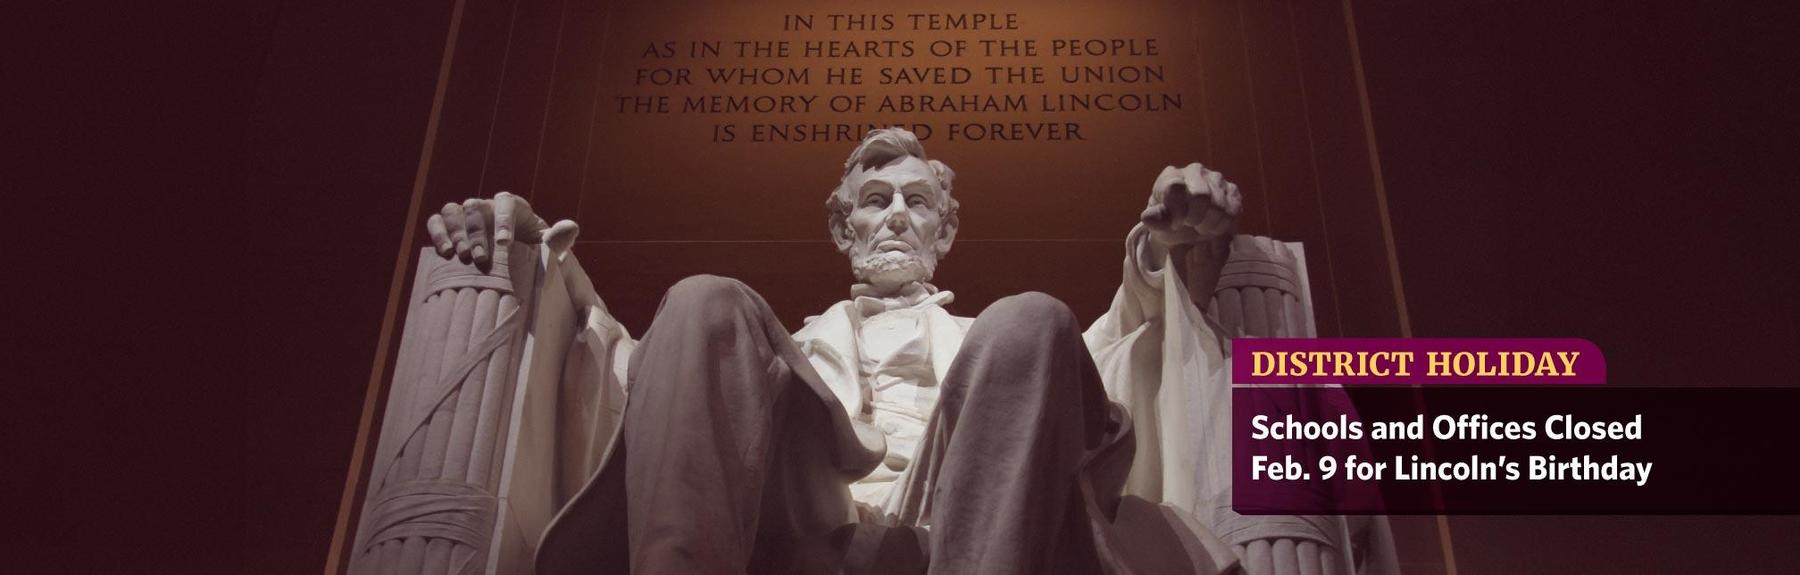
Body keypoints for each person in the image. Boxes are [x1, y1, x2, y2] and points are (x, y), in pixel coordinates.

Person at [421, 128, 1381, 574]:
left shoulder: (991, 341)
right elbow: (621, 369)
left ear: (943, 231)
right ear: (842, 230)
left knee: (1033, 318)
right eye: (876, 201)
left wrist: (1181, 248)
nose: (895, 214)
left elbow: (1134, 338)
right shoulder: (774, 350)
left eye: (917, 201)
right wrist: (524, 252)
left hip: (973, 513)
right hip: (799, 507)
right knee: (704, 299)